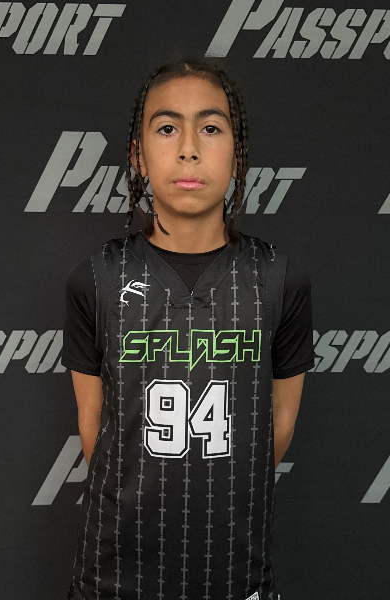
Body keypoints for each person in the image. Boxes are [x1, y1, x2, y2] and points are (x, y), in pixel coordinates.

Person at [62, 56, 314, 600]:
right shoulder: (97, 277)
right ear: (138, 154)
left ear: (238, 153)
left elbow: (279, 423)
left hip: (233, 567)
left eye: (212, 128)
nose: (189, 149)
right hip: (115, 570)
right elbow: (94, 425)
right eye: (167, 128)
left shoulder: (278, 278)